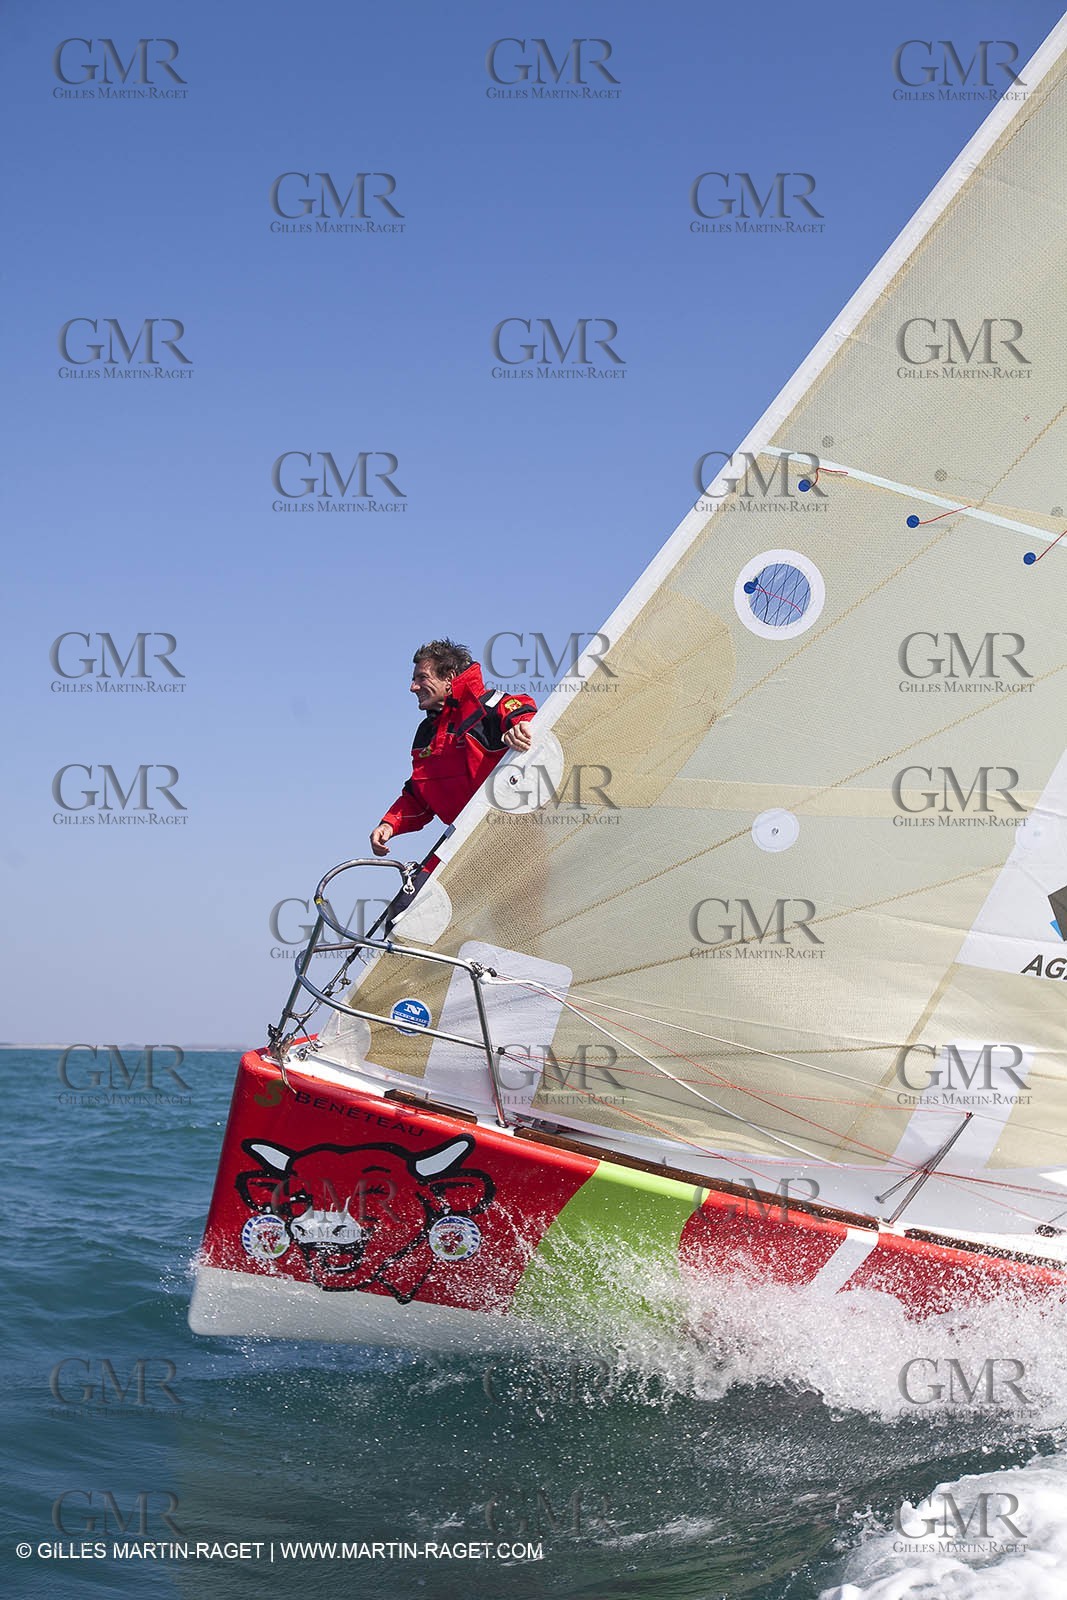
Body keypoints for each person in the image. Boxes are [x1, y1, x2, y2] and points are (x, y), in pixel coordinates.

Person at [370, 640, 537, 856]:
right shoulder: (426, 734)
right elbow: (420, 795)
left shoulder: (489, 706)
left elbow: (522, 713)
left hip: (519, 837)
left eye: (422, 678)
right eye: (414, 680)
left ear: (448, 678)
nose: (413, 687)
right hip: (470, 848)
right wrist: (389, 824)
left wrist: (522, 726)